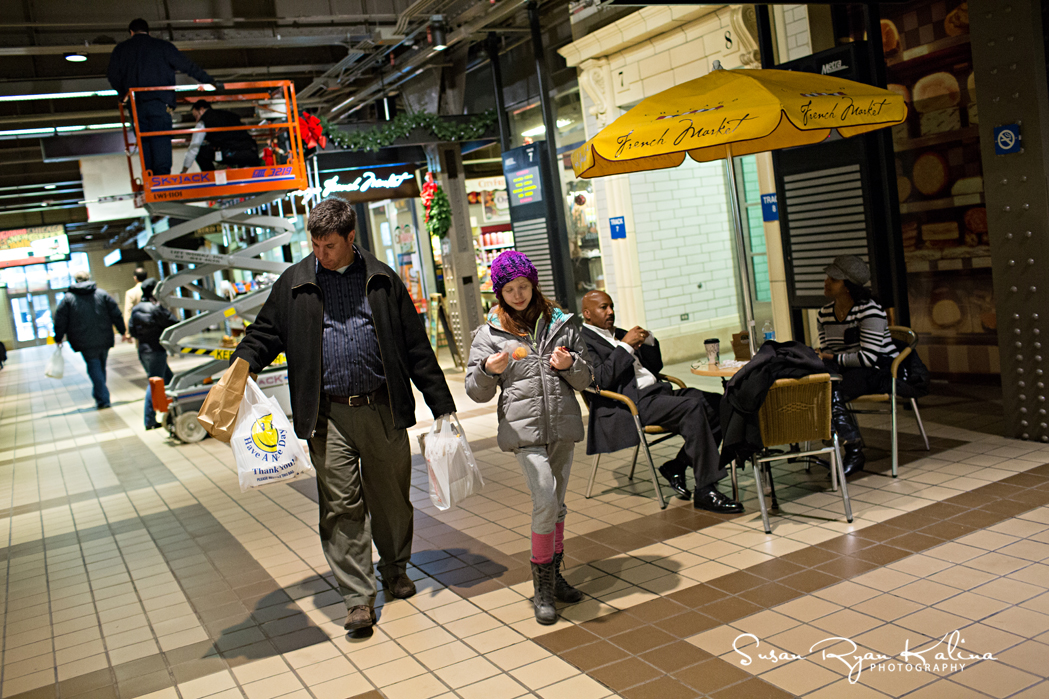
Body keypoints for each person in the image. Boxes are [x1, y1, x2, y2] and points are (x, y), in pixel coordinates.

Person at [230, 197, 456, 632]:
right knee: (340, 506)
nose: (320, 253)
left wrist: (441, 403)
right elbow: (265, 333)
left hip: (381, 408)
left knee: (391, 501)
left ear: (351, 238)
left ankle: (394, 568)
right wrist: (242, 367)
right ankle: (357, 596)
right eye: (314, 244)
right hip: (326, 415)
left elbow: (415, 347)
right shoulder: (294, 282)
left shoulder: (382, 279)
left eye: (329, 245)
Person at [465, 251, 593, 625]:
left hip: (563, 426)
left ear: (533, 285)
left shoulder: (562, 323)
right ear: (499, 293)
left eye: (523, 286)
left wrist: (570, 366)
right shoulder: (489, 334)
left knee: (558, 505)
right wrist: (488, 370)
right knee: (545, 500)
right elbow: (476, 391)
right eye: (509, 289)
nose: (517, 294)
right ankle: (542, 588)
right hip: (523, 430)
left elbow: (585, 378)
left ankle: (554, 576)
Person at [580, 291, 743, 514]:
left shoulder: (618, 333)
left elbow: (655, 367)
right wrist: (625, 347)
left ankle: (676, 466)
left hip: (658, 393)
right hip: (630, 404)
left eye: (611, 306)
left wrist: (648, 340)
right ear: (587, 314)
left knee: (718, 403)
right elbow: (601, 380)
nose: (610, 312)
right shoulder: (583, 342)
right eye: (603, 308)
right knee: (692, 408)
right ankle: (705, 488)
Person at [817, 255, 899, 475]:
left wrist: (830, 358)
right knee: (819, 385)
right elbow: (828, 352)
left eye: (833, 279)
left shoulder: (869, 310)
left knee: (832, 390)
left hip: (877, 371)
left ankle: (850, 449)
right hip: (845, 370)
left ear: (848, 286)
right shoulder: (824, 314)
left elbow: (868, 358)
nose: (826, 281)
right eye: (828, 277)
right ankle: (851, 448)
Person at [107, 18, 216, 176]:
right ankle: (162, 178)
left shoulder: (121, 49)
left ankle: (149, 176)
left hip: (136, 104)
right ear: (149, 31)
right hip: (160, 103)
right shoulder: (163, 46)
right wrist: (209, 80)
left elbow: (112, 75)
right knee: (161, 141)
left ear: (131, 32)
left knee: (144, 140)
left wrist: (123, 92)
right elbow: (186, 65)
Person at [54, 271, 126, 409]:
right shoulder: (102, 294)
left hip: (83, 340)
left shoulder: (68, 299)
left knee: (94, 367)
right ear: (88, 278)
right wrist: (122, 330)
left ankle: (102, 399)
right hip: (104, 337)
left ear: (76, 280)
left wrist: (58, 337)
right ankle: (100, 395)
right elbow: (116, 313)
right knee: (101, 366)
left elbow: (60, 319)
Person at [129, 278, 177, 430]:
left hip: (143, 350)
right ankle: (149, 419)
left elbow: (132, 331)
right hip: (156, 350)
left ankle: (175, 408)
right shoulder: (156, 308)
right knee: (155, 383)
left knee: (170, 379)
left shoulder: (136, 309)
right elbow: (173, 322)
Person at [180, 99, 261, 173]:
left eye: (196, 116)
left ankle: (211, 178)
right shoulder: (229, 115)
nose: (196, 120)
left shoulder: (203, 121)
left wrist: (184, 171)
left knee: (201, 152)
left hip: (231, 153)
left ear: (201, 110)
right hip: (251, 151)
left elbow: (194, 148)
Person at [123, 267, 148, 342]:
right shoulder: (154, 290)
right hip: (156, 326)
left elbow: (128, 313)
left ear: (135, 278)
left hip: (140, 327)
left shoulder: (130, 293)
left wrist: (128, 333)